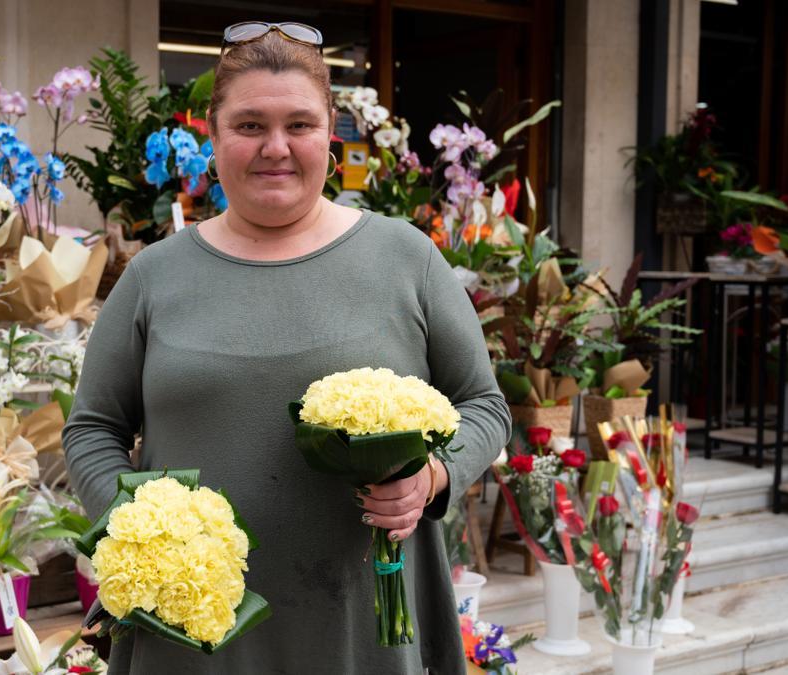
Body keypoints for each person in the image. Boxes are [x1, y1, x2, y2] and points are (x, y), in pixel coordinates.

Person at [63, 21, 511, 674]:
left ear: (330, 130)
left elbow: (484, 404)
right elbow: (92, 428)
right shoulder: (153, 277)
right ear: (211, 133)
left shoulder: (404, 258)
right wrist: (140, 538)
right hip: (194, 634)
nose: (276, 147)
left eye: (299, 124)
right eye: (249, 125)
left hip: (363, 631)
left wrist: (433, 478)